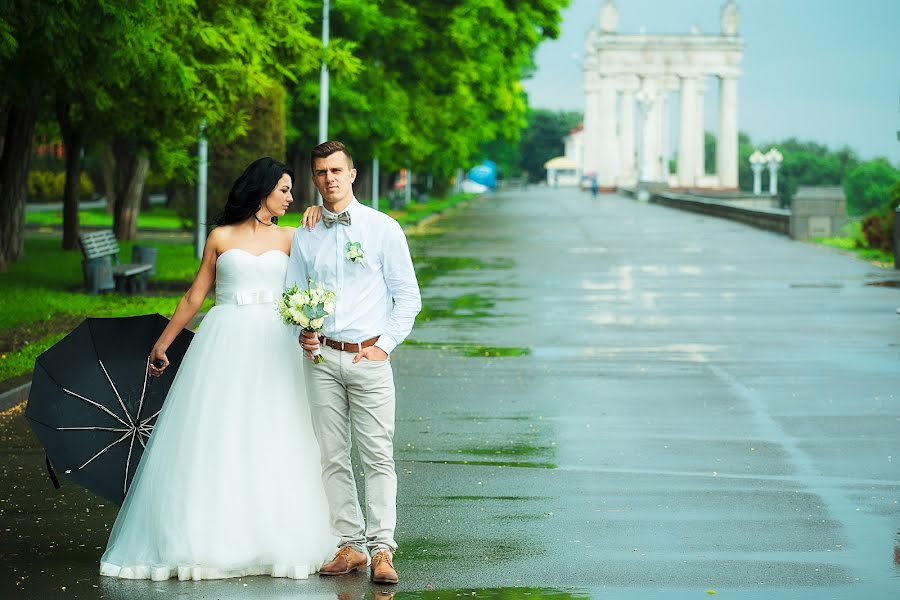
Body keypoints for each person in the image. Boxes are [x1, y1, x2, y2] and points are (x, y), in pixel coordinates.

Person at [99, 157, 335, 582]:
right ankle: (208, 536)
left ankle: (274, 535)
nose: (291, 197)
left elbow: (319, 274)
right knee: (218, 433)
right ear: (262, 190)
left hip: (275, 343)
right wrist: (164, 342)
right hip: (224, 339)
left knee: (275, 431)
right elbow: (195, 295)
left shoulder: (292, 236)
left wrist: (319, 215)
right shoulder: (220, 237)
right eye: (284, 189)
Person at [286, 141, 421, 585]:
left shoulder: (384, 229)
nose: (329, 178)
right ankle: (351, 545)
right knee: (332, 455)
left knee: (377, 455)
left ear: (353, 174)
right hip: (322, 357)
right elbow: (292, 294)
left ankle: (383, 549)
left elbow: (409, 299)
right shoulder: (306, 232)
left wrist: (384, 345)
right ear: (314, 178)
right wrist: (301, 330)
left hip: (368, 358)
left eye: (337, 170)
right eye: (321, 171)